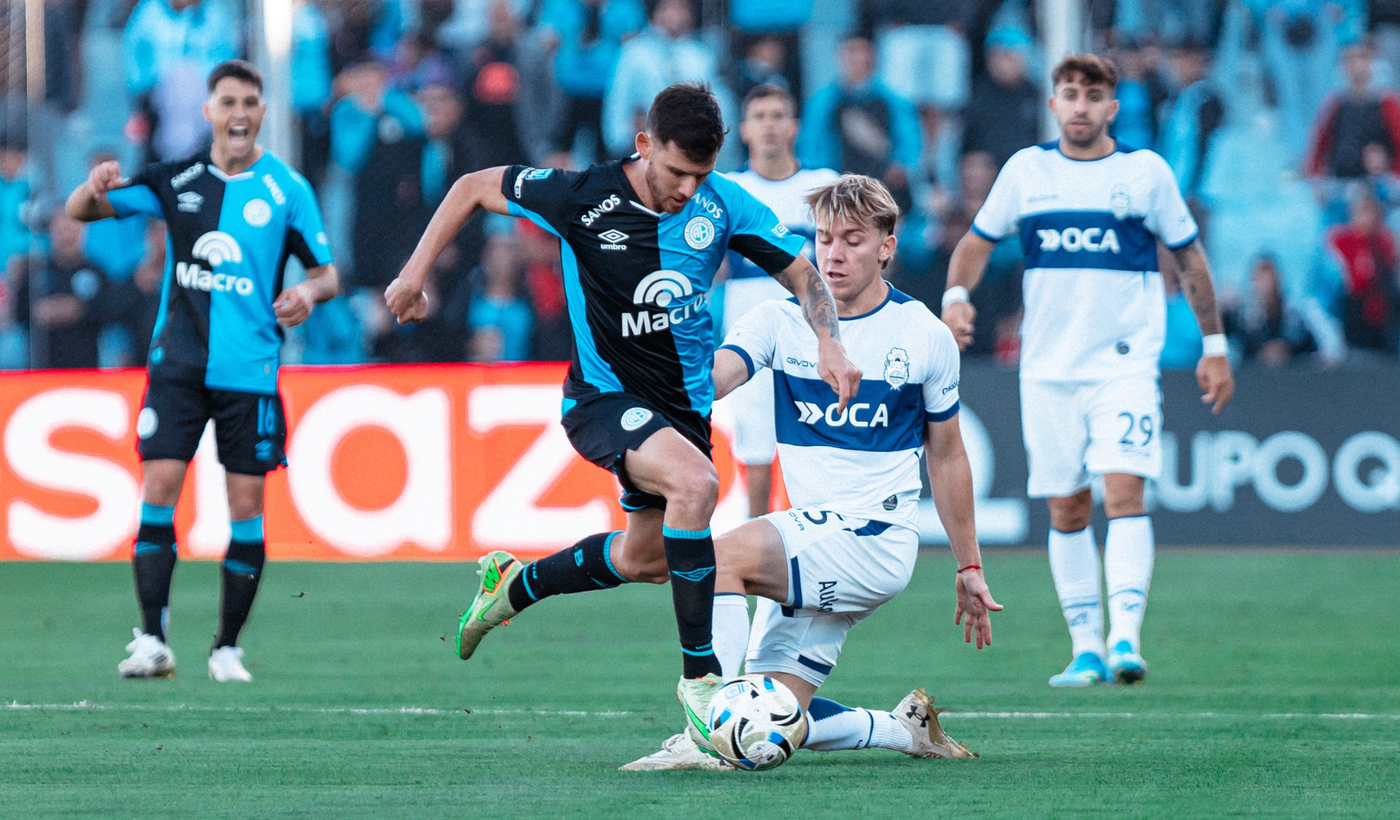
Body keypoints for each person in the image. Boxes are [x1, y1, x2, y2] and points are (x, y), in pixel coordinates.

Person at [383, 82, 860, 743]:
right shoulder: (583, 196)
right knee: (697, 485)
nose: (689, 191)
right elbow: (471, 186)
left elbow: (806, 276)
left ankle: (515, 586)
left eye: (702, 175)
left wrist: (830, 341)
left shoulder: (722, 205)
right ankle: (702, 679)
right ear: (644, 146)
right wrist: (414, 274)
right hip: (603, 400)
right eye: (676, 173)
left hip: (682, 411)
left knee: (645, 559)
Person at [623, 174, 1000, 771]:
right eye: (824, 238)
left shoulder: (923, 334)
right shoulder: (779, 320)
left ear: (886, 246)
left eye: (853, 238)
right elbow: (717, 376)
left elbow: (948, 454)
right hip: (811, 535)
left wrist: (969, 564)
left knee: (714, 559)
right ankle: (902, 731)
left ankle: (701, 735)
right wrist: (660, 377)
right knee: (770, 711)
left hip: (874, 540)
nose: (834, 253)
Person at [941, 54, 1234, 688]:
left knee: (1125, 493)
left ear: (1112, 107)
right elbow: (974, 243)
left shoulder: (1145, 173)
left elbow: (1190, 258)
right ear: (1054, 104)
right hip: (1047, 370)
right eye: (1069, 93)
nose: (1080, 105)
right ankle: (1087, 648)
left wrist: (1214, 343)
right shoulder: (1028, 171)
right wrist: (956, 298)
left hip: (1122, 366)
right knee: (1067, 509)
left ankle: (1127, 638)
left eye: (1092, 94)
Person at [66, 60, 339, 683]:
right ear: (208, 111)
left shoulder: (287, 190)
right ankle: (154, 640)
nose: (238, 113)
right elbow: (85, 210)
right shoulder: (176, 178)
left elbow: (328, 272)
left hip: (251, 371)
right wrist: (94, 183)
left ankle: (226, 648)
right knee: (159, 489)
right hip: (178, 367)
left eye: (249, 102)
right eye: (227, 102)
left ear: (262, 112)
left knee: (245, 506)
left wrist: (308, 294)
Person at [721, 85, 839, 519]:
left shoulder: (823, 185)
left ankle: (821, 554)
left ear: (794, 127)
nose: (769, 124)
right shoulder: (729, 190)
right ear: (745, 130)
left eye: (778, 115)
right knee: (755, 455)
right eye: (759, 116)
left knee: (820, 451)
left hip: (811, 336)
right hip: (747, 334)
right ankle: (756, 559)